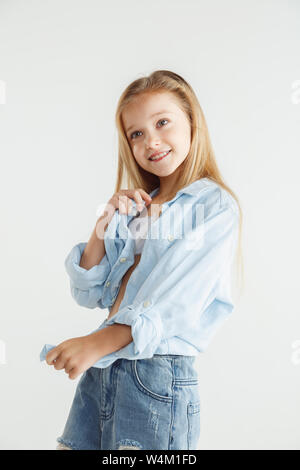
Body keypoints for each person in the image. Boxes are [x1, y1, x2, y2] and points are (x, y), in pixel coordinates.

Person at [40, 70, 243, 450]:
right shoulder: (138, 209)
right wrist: (103, 223)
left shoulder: (213, 206)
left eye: (162, 122)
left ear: (192, 121)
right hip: (105, 366)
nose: (151, 141)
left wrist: (97, 342)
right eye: (136, 133)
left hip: (155, 371)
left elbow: (176, 303)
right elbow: (92, 292)